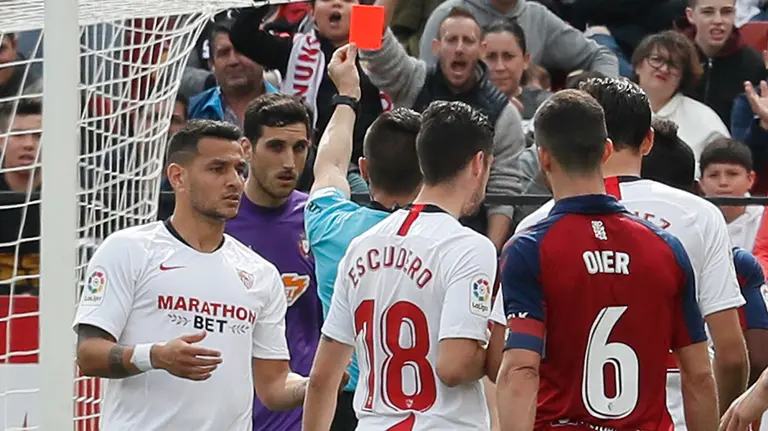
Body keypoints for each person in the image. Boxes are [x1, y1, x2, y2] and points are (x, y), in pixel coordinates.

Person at [516, 77, 748, 425]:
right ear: (649, 141)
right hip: (672, 415)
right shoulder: (698, 216)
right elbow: (729, 355)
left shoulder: (537, 228)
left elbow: (513, 363)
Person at [73, 120, 310, 430]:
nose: (235, 182)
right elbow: (88, 354)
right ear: (177, 176)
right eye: (217, 169)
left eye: (240, 170)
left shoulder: (261, 273)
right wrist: (156, 356)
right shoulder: (128, 250)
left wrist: (314, 383)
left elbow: (274, 385)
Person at [302, 100, 506, 431]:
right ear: (479, 163)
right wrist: (494, 343)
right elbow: (453, 367)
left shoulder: (361, 246)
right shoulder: (468, 247)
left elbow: (322, 378)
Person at [304, 44, 424, 430]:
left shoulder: (329, 224)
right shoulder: (447, 242)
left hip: (341, 405)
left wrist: (347, 97)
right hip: (417, 405)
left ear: (365, 169)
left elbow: (329, 164)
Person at [361, 2, 528, 250]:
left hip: (468, 237)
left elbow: (504, 191)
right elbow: (366, 37)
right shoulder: (413, 81)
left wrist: (491, 251)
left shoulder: (505, 114)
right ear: (435, 47)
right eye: (451, 40)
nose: (459, 48)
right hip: (400, 230)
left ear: (482, 49)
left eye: (468, 41)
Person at [223, 93, 321, 431]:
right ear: (247, 149)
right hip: (227, 415)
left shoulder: (318, 220)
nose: (290, 163)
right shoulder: (218, 222)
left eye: (299, 148)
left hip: (301, 415)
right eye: (276, 147)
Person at [698, 138, 764, 251]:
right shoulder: (693, 220)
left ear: (750, 179)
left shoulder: (763, 220)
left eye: (732, 174)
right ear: (701, 183)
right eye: (714, 175)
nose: (723, 182)